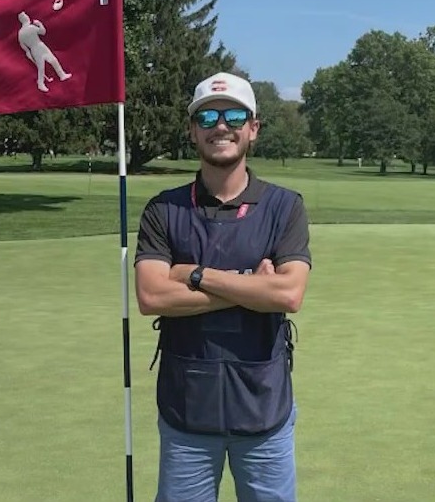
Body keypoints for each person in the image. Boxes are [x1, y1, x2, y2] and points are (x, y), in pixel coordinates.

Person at [134, 71, 313, 502]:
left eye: (234, 116)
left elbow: (288, 295)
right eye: (207, 117)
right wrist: (252, 288)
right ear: (192, 130)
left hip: (263, 409)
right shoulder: (163, 209)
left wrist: (195, 275)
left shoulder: (285, 206)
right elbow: (152, 296)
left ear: (253, 128)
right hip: (187, 412)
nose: (220, 126)